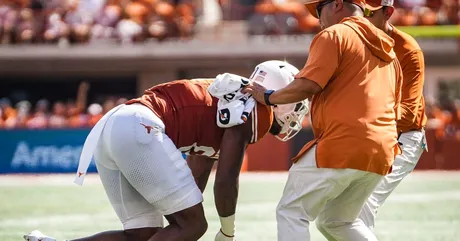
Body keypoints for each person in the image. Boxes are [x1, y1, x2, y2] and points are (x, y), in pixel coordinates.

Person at [24, 60, 309, 241]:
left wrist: (182, 218)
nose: (296, 108)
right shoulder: (256, 109)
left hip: (115, 125)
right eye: (294, 99)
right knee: (194, 226)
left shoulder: (232, 97)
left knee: (143, 234)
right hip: (140, 127)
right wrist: (227, 231)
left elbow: (196, 173)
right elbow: (226, 178)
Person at [243, 1, 403, 240]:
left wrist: (267, 97)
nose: (318, 19)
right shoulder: (390, 52)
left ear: (337, 3)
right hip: (383, 150)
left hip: (344, 142)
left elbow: (308, 85)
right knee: (337, 221)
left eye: (318, 11)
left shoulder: (334, 34)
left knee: (291, 211)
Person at [358, 0, 427, 229]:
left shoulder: (408, 50)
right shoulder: (354, 42)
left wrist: (365, 111)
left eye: (369, 12)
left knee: (362, 203)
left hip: (403, 137)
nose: (362, 18)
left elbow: (408, 114)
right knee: (335, 211)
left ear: (388, 13)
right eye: (360, 10)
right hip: (368, 134)